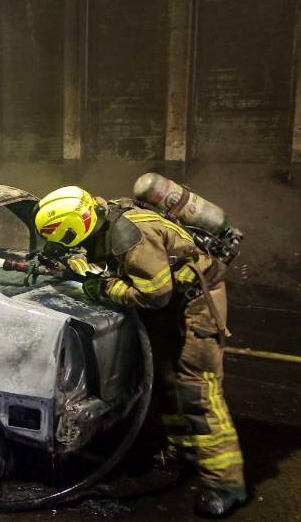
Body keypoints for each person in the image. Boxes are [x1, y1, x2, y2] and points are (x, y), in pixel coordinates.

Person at [33, 185, 246, 518]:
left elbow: (154, 294)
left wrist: (103, 288)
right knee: (164, 378)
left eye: (68, 240)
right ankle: (185, 448)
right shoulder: (102, 216)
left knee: (197, 392)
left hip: (196, 304)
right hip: (172, 304)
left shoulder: (129, 237)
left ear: (78, 227)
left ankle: (225, 483)